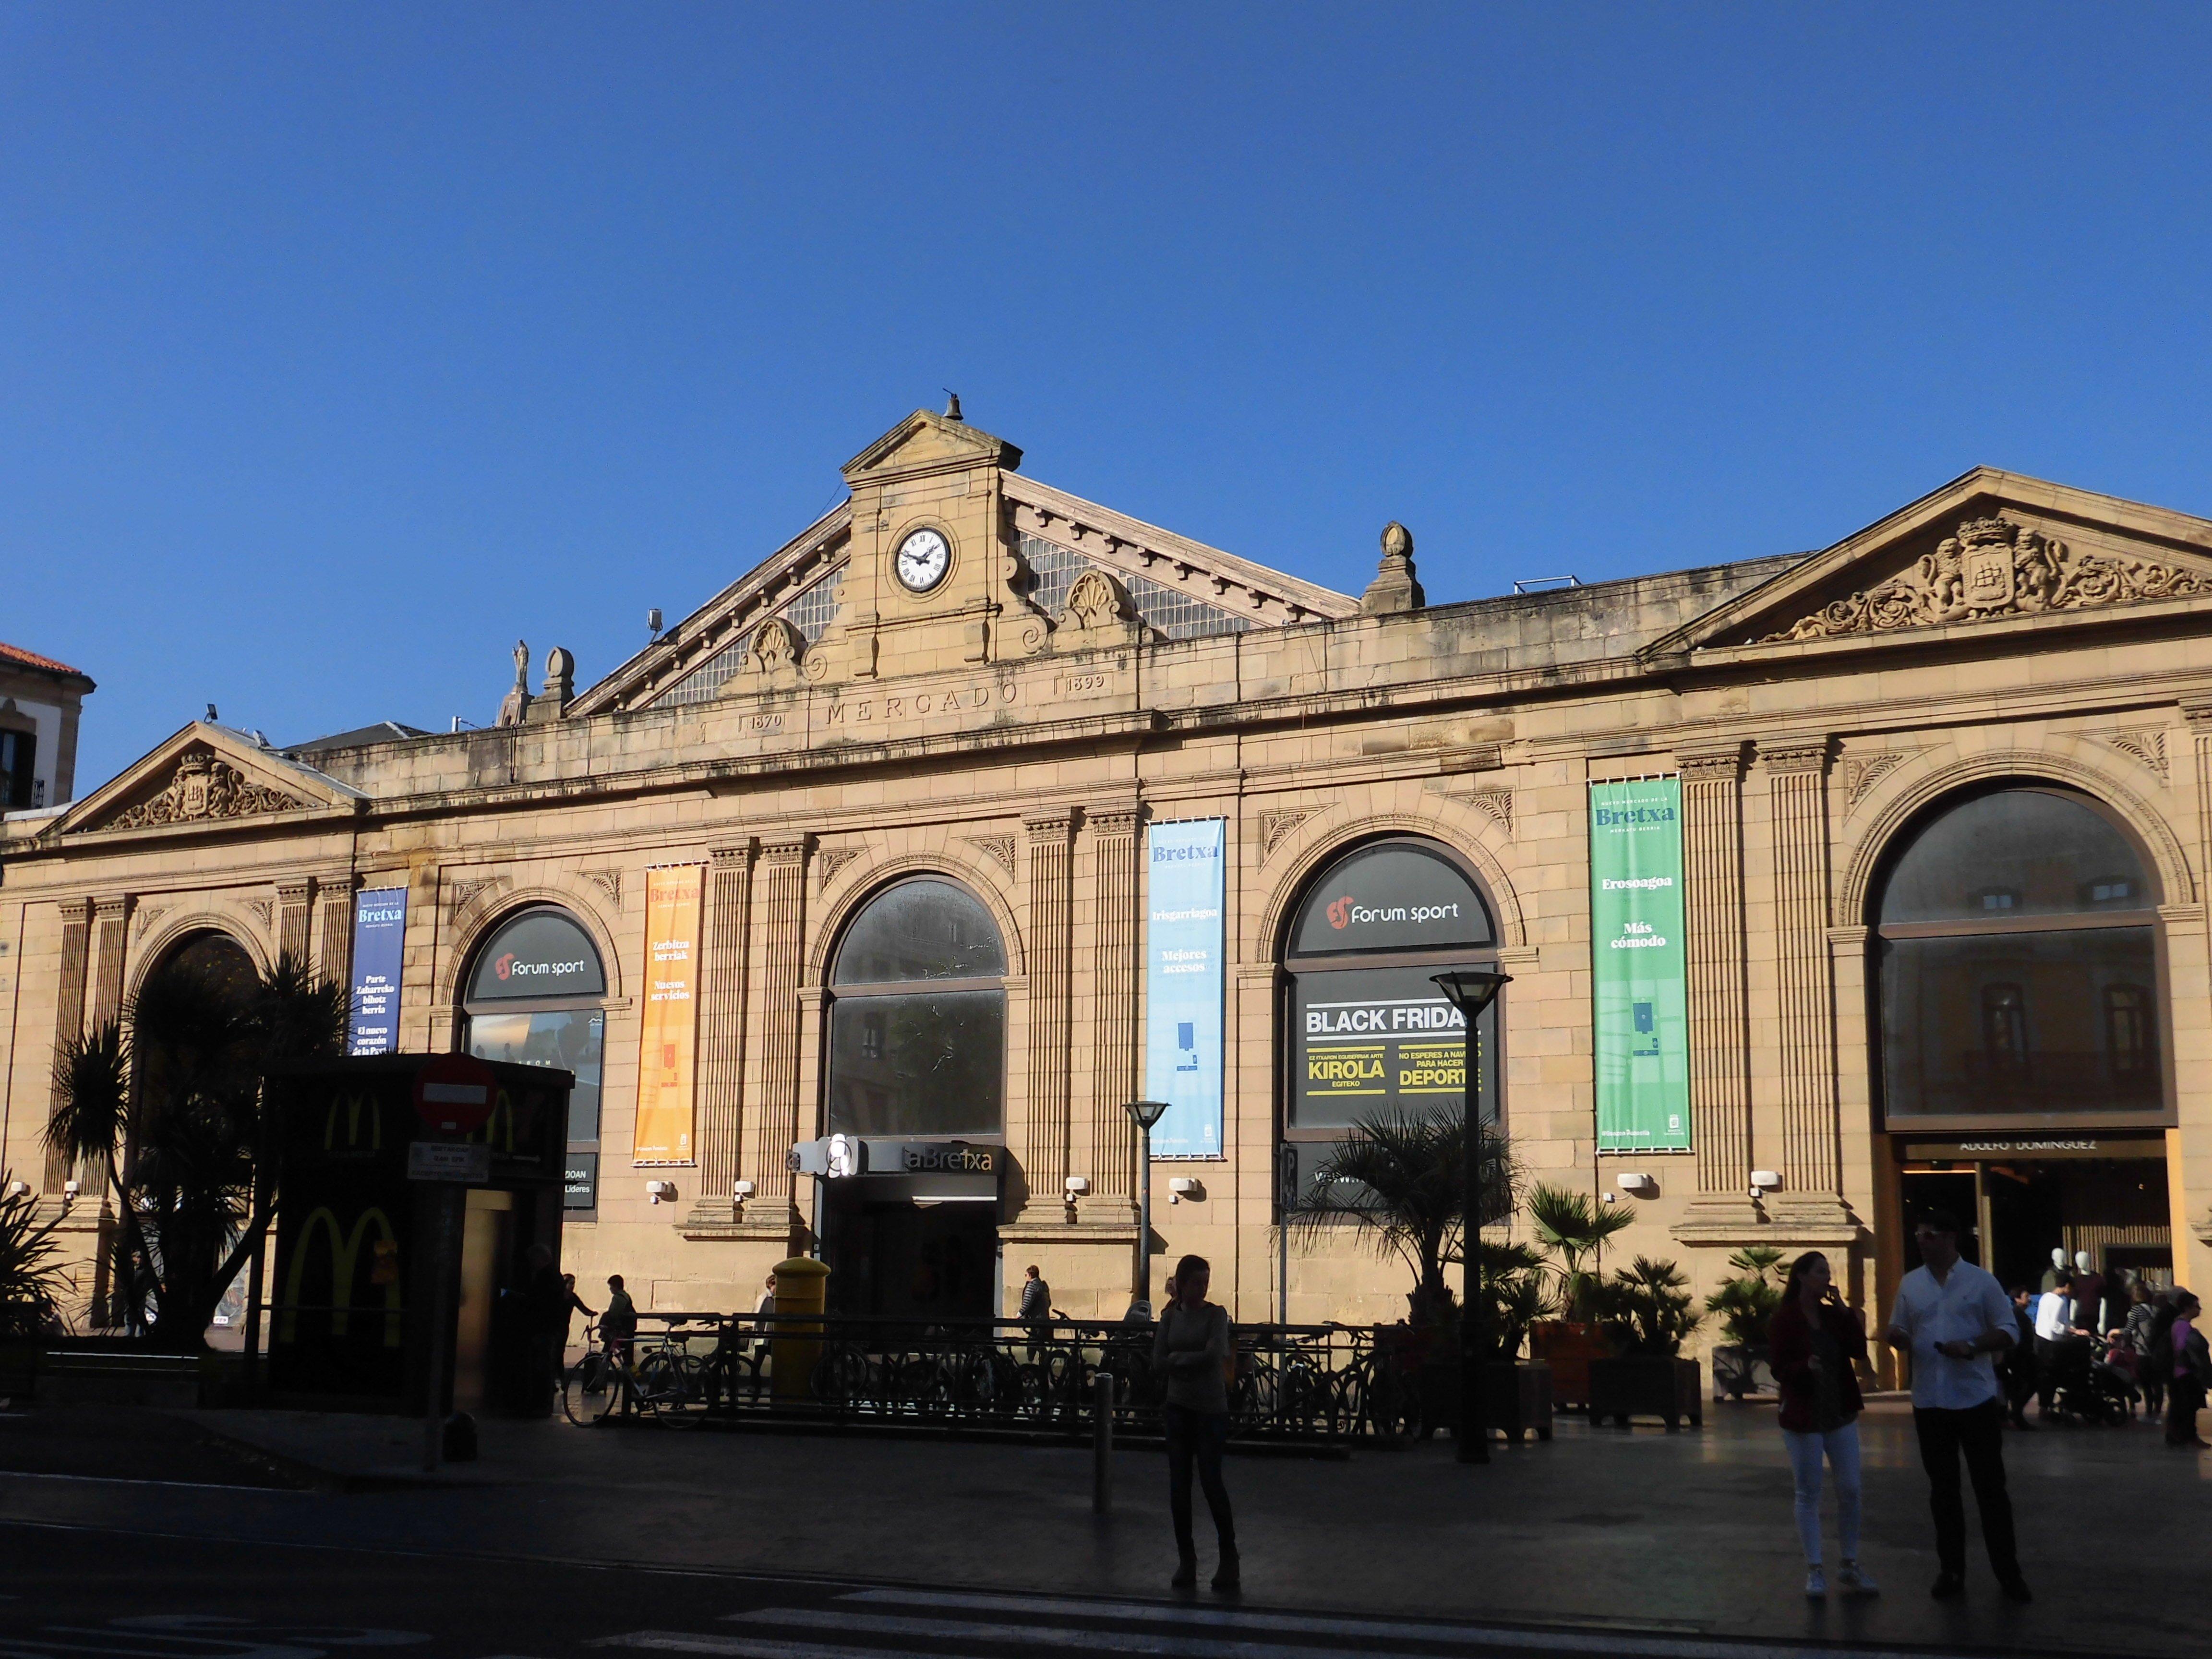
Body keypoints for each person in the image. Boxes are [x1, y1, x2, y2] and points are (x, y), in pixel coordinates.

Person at [1879, 1210, 2031, 1603]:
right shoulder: (1911, 1284)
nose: (1922, 1242)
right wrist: (1896, 1337)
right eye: (1918, 1235)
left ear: (1950, 1239)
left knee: (1990, 1489)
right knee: (1942, 1491)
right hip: (1930, 1400)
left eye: (1929, 1235)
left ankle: (2008, 1573)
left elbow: (2010, 1331)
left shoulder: (1981, 1282)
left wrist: (1973, 1346)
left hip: (1974, 1399)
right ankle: (1951, 1571)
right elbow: (1900, 1328)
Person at [1767, 1250, 1877, 1598]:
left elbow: (1859, 1351)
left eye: (1828, 1272)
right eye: (1820, 1272)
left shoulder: (1833, 1317)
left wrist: (1845, 1312)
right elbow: (1778, 1369)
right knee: (1809, 1490)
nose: (1826, 1278)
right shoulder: (1785, 1319)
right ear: (1801, 1276)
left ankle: (1849, 1564)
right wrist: (1805, 1368)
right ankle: (1815, 1569)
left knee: (1851, 1489)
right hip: (1804, 1415)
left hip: (1839, 1411)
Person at [1152, 1252, 1236, 1592]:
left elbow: (1214, 1355)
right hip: (1178, 1407)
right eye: (1196, 1283)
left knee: (1212, 1482)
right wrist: (1188, 1360)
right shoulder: (1170, 1318)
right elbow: (1157, 1361)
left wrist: (1178, 1360)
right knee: (1179, 1486)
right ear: (1182, 1283)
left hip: (1210, 1409)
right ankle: (1187, 1560)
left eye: (1206, 1282)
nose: (1202, 1289)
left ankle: (1229, 1557)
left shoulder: (1216, 1315)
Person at [2158, 1290, 2210, 1449]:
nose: (2199, 1309)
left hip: (2184, 1372)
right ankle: (2186, 1437)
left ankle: (2181, 1436)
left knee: (2185, 1406)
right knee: (2188, 1406)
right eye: (2196, 1306)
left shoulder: (2181, 1324)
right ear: (2187, 1308)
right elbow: (2181, 1348)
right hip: (2185, 1373)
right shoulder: (2181, 1326)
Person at [2125, 1281, 2166, 1419]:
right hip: (2158, 1352)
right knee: (2157, 1383)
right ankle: (2158, 1411)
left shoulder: (2136, 1311)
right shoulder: (2157, 1310)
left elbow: (2128, 1330)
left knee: (2146, 1384)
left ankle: (2149, 1412)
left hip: (2142, 1351)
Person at [2003, 1287, 2039, 1431]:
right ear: (2017, 1299)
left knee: (2023, 1386)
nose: (2029, 1299)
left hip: (2021, 1356)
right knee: (2025, 1385)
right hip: (2019, 1357)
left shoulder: (2019, 1314)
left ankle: (2016, 1414)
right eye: (2026, 1296)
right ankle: (2017, 1415)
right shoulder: (2017, 1315)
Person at [601, 1273, 638, 1364]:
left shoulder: (618, 1298)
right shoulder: (626, 1296)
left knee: (606, 1353)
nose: (610, 1289)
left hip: (620, 1331)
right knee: (628, 1359)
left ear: (616, 1286)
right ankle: (634, 1376)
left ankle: (602, 1373)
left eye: (611, 1287)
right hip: (628, 1330)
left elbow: (614, 1314)